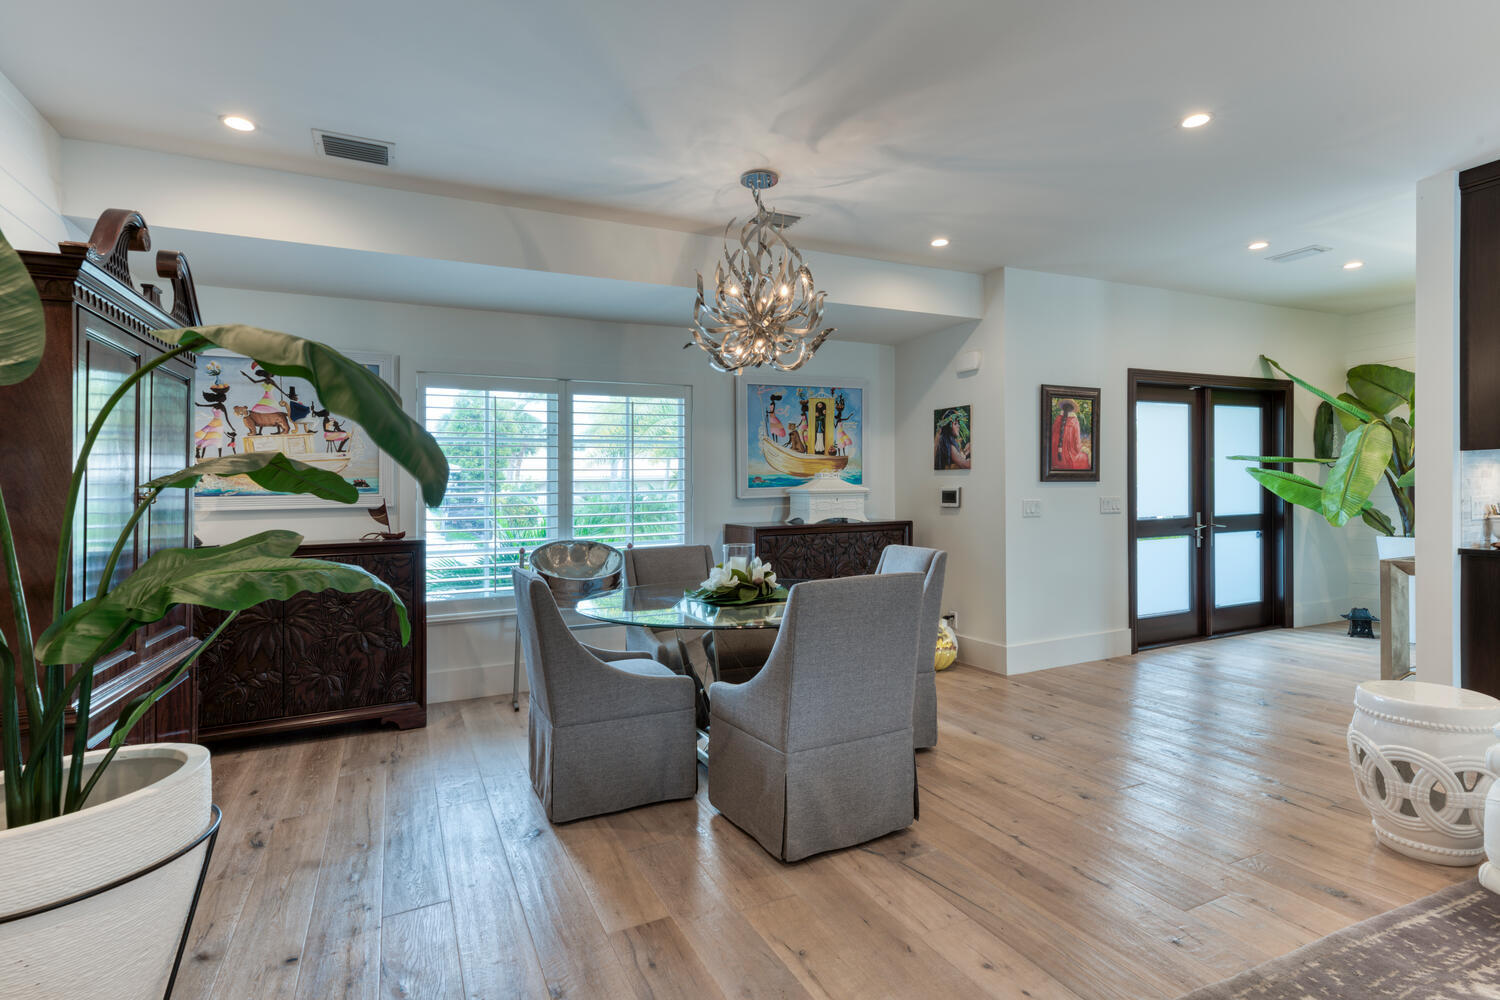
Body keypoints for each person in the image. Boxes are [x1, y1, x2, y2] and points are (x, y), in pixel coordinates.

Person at [1050, 400, 1090, 470]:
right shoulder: (1074, 421)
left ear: (1062, 408)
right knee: (1087, 456)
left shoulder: (1057, 419)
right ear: (1073, 410)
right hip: (1068, 461)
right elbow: (1077, 447)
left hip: (1054, 458)